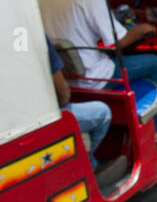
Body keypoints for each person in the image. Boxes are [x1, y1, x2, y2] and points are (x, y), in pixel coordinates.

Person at [39, 0, 157, 142]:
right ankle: (155, 129)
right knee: (155, 63)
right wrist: (141, 29)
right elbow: (120, 41)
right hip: (94, 77)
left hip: (62, 78)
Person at [47, 37, 112, 173]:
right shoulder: (35, 35)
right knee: (103, 112)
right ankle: (88, 166)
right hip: (45, 118)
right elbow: (63, 94)